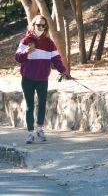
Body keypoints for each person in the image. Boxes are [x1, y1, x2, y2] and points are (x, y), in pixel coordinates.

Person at [15, 14, 67, 144]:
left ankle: (40, 129)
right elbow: (17, 58)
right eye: (38, 25)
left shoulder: (49, 43)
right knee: (29, 106)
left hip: (43, 78)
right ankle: (30, 133)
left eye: (44, 25)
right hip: (27, 78)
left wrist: (63, 70)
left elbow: (56, 59)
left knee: (42, 104)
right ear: (33, 25)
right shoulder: (25, 41)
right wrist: (26, 52)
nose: (41, 27)